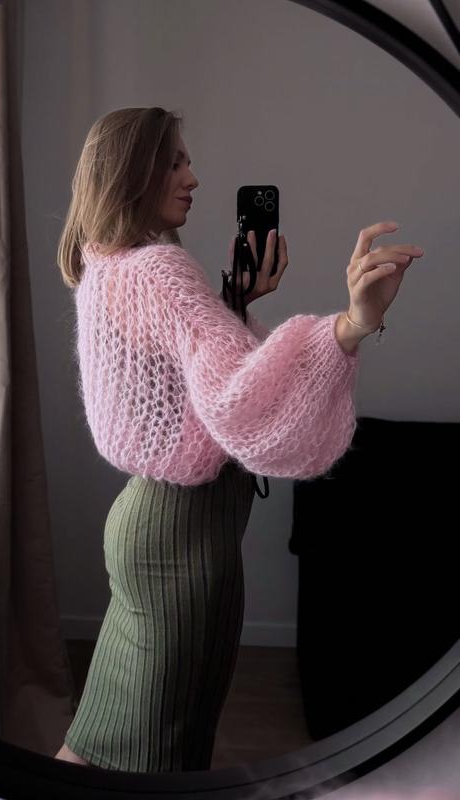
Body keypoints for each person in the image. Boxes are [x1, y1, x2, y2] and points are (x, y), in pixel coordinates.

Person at [53, 107, 424, 773]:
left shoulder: (107, 261)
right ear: (132, 171)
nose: (192, 177)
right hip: (183, 539)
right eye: (174, 161)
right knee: (163, 752)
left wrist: (236, 301)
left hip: (149, 525)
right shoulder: (158, 269)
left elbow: (184, 377)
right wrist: (352, 323)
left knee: (99, 736)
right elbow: (235, 399)